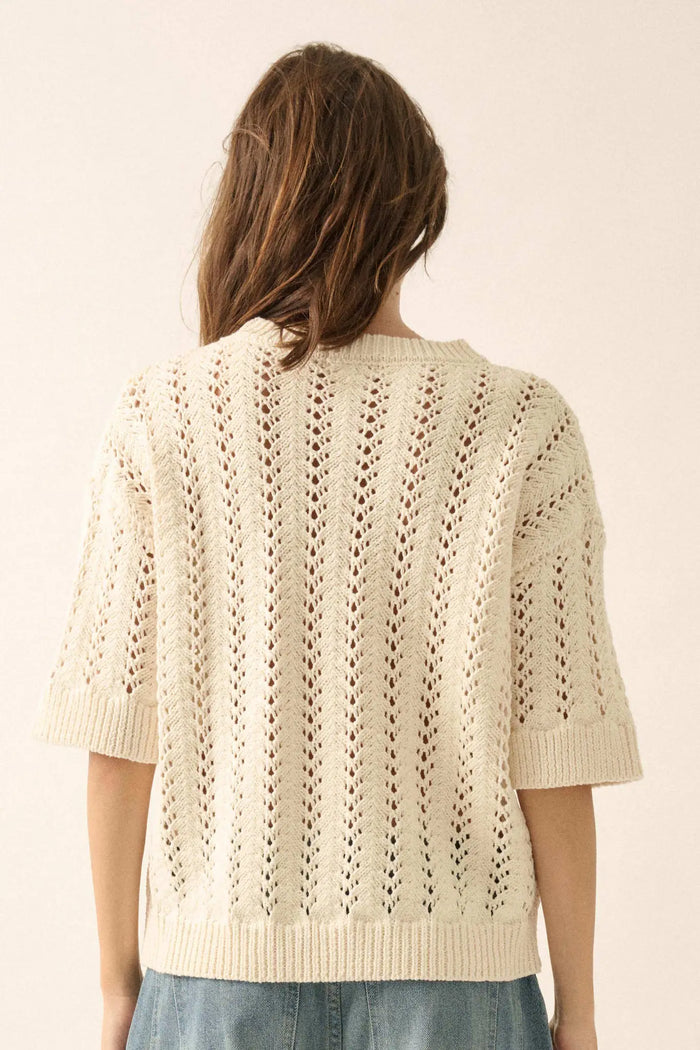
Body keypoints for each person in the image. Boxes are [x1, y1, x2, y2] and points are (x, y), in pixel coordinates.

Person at [32, 41, 643, 1050]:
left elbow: (118, 748)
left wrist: (115, 989)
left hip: (213, 985)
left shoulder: (162, 416)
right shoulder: (520, 427)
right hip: (459, 989)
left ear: (251, 203)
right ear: (414, 211)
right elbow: (554, 757)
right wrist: (576, 1015)